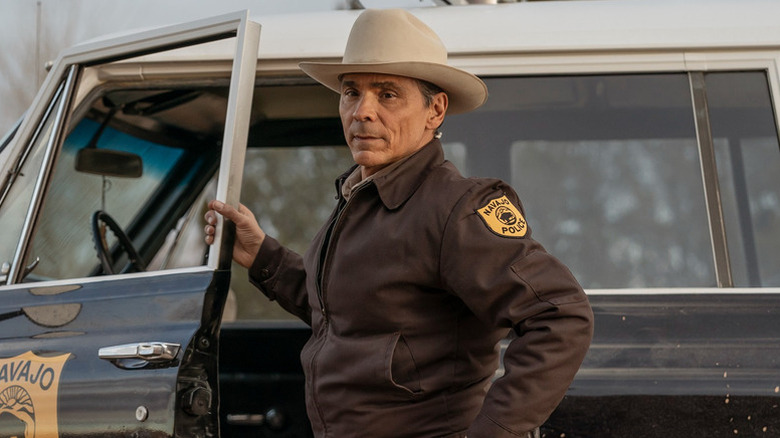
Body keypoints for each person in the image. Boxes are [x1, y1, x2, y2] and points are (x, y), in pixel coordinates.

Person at [205, 8, 593, 438]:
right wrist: (261, 254)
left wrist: (493, 432)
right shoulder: (360, 195)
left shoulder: (456, 207)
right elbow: (348, 313)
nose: (363, 111)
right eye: (351, 92)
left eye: (387, 94)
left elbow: (560, 316)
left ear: (436, 110)